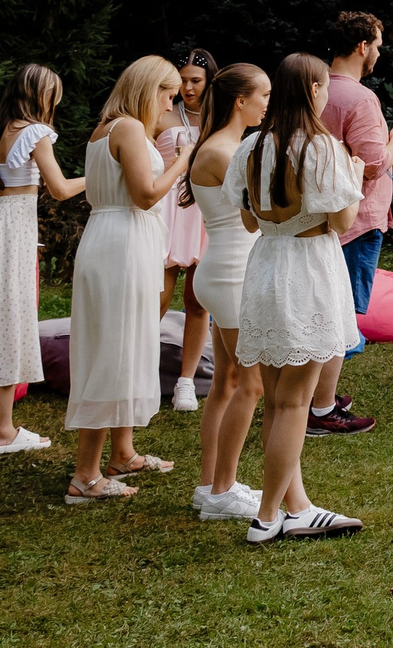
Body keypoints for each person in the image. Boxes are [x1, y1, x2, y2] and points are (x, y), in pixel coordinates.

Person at [236, 53, 367, 542]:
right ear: (313, 89)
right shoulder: (321, 146)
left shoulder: (252, 146)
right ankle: (267, 516)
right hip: (309, 268)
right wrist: (352, 176)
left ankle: (297, 505)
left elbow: (249, 218)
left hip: (266, 263)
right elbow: (342, 221)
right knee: (295, 403)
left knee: (276, 401)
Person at [65, 56, 192, 504]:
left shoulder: (107, 129)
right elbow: (144, 195)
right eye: (168, 93)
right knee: (113, 350)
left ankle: (122, 452)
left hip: (111, 239)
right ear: (147, 89)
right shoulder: (130, 130)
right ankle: (85, 475)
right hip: (122, 244)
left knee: (126, 344)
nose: (171, 103)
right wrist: (183, 161)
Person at [0, 63, 88, 456]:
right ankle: (3, 430)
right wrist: (97, 177)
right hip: (15, 227)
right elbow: (60, 189)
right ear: (42, 96)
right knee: (12, 318)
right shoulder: (36, 132)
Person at [312, 11, 393, 437]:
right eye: (378, 45)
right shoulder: (359, 98)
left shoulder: (311, 88)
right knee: (341, 315)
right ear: (362, 46)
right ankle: (320, 408)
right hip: (355, 219)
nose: (380, 53)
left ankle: (317, 398)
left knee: (323, 309)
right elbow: (372, 165)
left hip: (316, 219)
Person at [188, 62, 270, 522]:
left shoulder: (222, 146)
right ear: (241, 101)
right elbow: (260, 212)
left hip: (222, 268)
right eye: (263, 96)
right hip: (232, 273)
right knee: (252, 382)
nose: (268, 104)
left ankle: (209, 485)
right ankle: (222, 490)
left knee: (226, 382)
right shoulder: (226, 153)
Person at [163, 48, 215, 411]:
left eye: (195, 80)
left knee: (198, 301)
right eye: (182, 80)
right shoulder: (162, 112)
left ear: (209, 80)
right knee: (158, 296)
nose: (187, 87)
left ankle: (185, 381)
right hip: (168, 209)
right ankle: (141, 371)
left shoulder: (220, 117)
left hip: (204, 210)